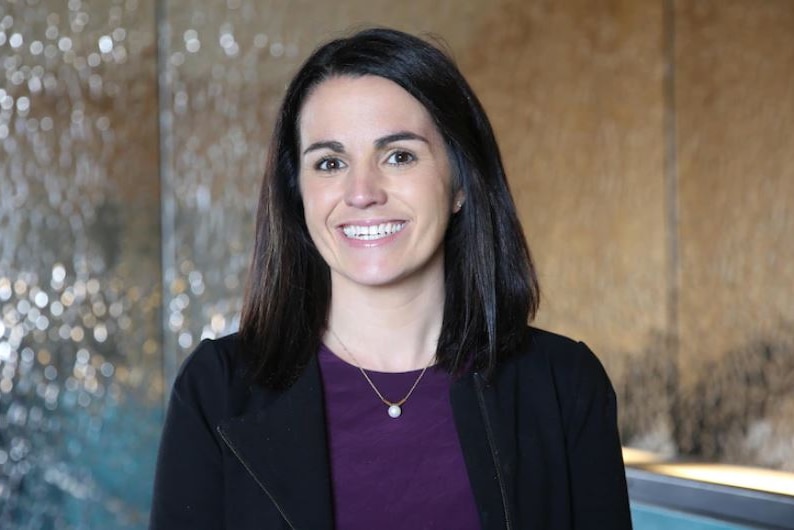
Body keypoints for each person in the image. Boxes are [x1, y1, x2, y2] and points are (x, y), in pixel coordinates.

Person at [149, 27, 632, 530]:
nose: (362, 192)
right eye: (330, 162)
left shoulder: (562, 385)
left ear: (461, 183)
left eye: (399, 156)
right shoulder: (217, 391)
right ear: (299, 196)